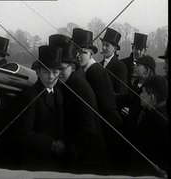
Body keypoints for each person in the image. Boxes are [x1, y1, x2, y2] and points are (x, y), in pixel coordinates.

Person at [49, 34, 108, 173]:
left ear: (73, 67)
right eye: (55, 69)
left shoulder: (79, 87)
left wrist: (67, 145)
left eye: (62, 69)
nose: (58, 74)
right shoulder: (67, 83)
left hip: (88, 158)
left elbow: (88, 128)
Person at [72, 28, 124, 172]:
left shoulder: (94, 70)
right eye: (76, 52)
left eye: (82, 52)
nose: (78, 56)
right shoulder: (91, 69)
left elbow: (100, 103)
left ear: (91, 53)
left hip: (108, 123)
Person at [14, 45, 66, 171]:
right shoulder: (30, 96)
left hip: (55, 161)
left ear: (59, 73)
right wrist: (52, 144)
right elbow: (24, 134)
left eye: (55, 72)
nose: (51, 77)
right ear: (38, 72)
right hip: (36, 163)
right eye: (45, 72)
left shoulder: (58, 93)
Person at [129, 75, 168, 176]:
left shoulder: (157, 122)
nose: (140, 95)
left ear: (151, 97)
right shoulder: (151, 111)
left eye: (143, 92)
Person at [100, 28, 127, 94]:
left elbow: (121, 92)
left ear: (114, 49)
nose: (104, 48)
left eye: (107, 45)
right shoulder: (99, 65)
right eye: (103, 44)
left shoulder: (120, 66)